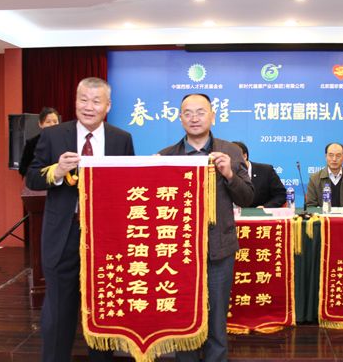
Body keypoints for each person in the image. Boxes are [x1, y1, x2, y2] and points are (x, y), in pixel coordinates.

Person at [26, 78, 134, 362]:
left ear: (107, 106)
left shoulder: (121, 139)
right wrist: (57, 171)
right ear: (75, 102)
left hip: (105, 238)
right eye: (83, 99)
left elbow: (129, 187)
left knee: (102, 309)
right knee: (59, 311)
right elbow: (32, 178)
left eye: (96, 101)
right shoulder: (53, 136)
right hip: (63, 234)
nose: (89, 106)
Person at [158, 94, 254, 362]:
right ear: (180, 118)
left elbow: (247, 198)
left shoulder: (231, 151)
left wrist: (229, 175)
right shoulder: (166, 156)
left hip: (219, 251)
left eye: (201, 112)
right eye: (188, 113)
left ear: (213, 116)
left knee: (216, 326)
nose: (194, 118)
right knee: (184, 323)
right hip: (178, 255)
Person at [305, 143, 343, 207]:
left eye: (338, 156)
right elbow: (311, 206)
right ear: (326, 157)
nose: (334, 159)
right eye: (331, 155)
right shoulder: (314, 179)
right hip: (323, 213)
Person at [232, 141, 286, 208]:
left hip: (261, 213)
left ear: (244, 156)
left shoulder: (266, 171)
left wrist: (265, 207)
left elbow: (281, 195)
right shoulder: (226, 174)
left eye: (233, 157)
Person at [19, 107, 60, 177]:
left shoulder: (64, 140)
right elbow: (23, 169)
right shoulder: (32, 143)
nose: (52, 124)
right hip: (41, 181)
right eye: (48, 122)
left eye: (55, 121)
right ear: (40, 124)